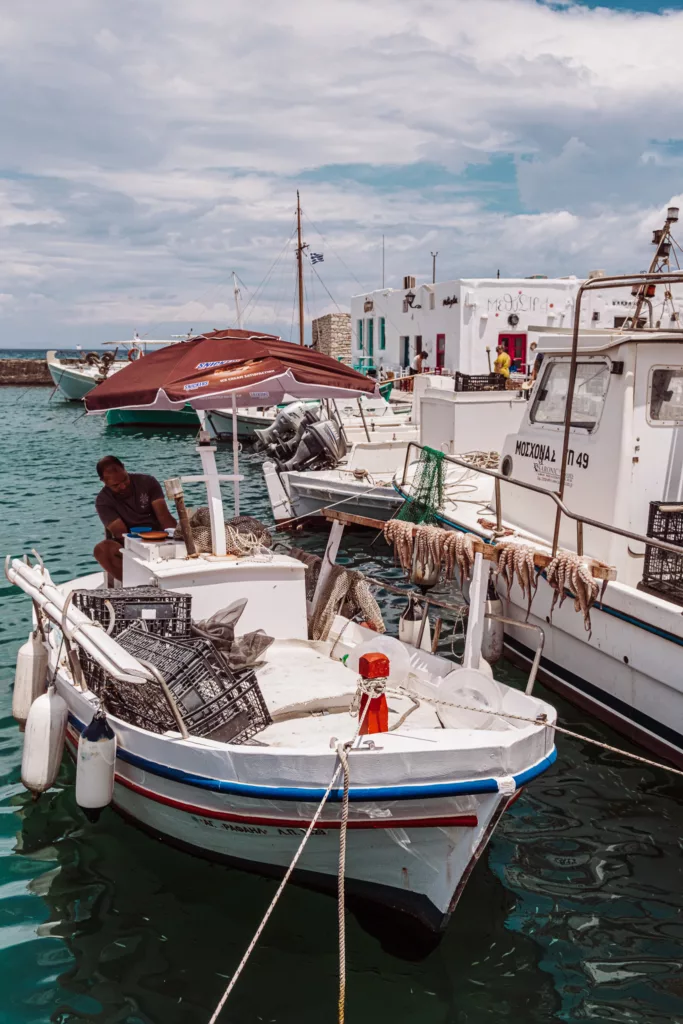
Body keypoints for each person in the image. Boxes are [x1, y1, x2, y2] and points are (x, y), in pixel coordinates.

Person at [93, 456, 176, 582]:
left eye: (125, 480)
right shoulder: (103, 501)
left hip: (159, 535)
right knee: (102, 550)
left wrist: (176, 537)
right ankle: (132, 583)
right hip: (128, 541)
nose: (122, 486)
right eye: (116, 485)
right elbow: (120, 533)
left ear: (125, 469)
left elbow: (164, 516)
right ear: (103, 480)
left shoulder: (147, 482)